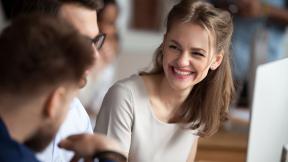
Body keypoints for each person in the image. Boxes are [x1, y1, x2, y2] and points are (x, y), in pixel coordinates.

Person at [95, 0, 234, 161]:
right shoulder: (125, 98)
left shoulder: (198, 106)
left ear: (216, 60)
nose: (182, 61)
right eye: (174, 47)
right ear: (164, 43)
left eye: (197, 53)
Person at [0, 14, 124, 162]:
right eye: (82, 40)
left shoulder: (78, 115)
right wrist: (110, 155)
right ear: (55, 101)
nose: (94, 56)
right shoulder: (16, 157)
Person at [210, 0, 288, 106]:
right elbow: (204, 6)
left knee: (262, 113)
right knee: (216, 109)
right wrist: (230, 6)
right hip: (225, 60)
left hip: (266, 65)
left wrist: (264, 9)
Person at [79, 0, 120, 125]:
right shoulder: (81, 52)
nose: (108, 28)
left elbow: (99, 105)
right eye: (103, 20)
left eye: (112, 23)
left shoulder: (110, 54)